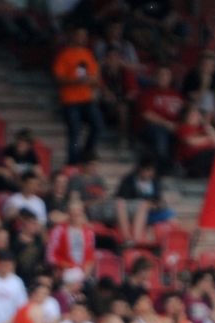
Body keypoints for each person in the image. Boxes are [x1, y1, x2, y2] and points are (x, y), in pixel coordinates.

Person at [52, 25, 105, 165]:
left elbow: (95, 74)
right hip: (70, 100)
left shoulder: (87, 53)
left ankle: (86, 154)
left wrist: (92, 81)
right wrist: (75, 81)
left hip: (86, 98)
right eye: (79, 35)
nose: (82, 38)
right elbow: (58, 77)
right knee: (74, 134)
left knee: (98, 125)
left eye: (84, 35)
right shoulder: (65, 54)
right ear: (73, 36)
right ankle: (73, 163)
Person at [138, 65, 184, 174]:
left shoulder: (177, 94)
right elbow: (146, 114)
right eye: (160, 74)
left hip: (174, 126)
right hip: (151, 128)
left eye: (166, 75)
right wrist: (167, 123)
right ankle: (162, 168)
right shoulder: (148, 93)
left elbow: (186, 113)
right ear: (155, 77)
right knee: (160, 133)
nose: (163, 77)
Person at [115, 157, 173, 243]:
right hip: (134, 209)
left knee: (171, 215)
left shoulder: (154, 181)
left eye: (152, 171)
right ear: (141, 169)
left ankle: (171, 242)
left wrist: (158, 204)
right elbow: (122, 198)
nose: (150, 174)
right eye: (148, 170)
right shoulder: (129, 181)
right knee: (143, 205)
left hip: (151, 210)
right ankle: (136, 239)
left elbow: (158, 198)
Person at [47, 200, 96, 276]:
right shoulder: (59, 230)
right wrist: (66, 266)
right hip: (65, 270)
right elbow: (51, 255)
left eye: (78, 212)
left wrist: (87, 269)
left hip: (82, 271)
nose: (76, 215)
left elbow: (90, 255)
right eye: (73, 212)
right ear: (68, 214)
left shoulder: (89, 232)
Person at [176, 104, 215, 178]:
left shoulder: (203, 129)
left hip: (209, 155)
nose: (198, 115)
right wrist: (209, 138)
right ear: (188, 115)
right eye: (195, 113)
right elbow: (191, 141)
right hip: (194, 158)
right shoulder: (183, 128)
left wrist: (208, 127)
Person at [0, 250, 28, 323]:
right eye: (3, 262)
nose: (5, 265)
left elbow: (22, 308)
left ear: (13, 265)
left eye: (8, 263)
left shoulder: (17, 282)